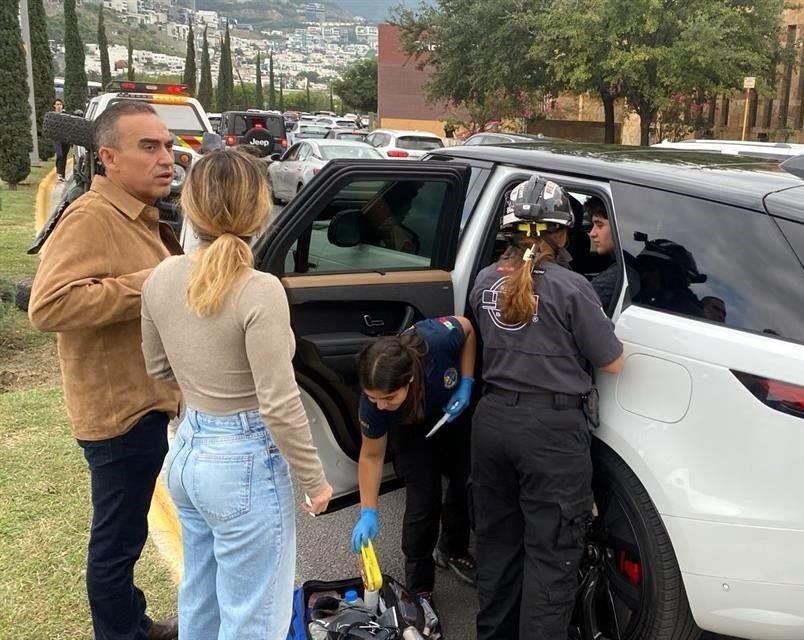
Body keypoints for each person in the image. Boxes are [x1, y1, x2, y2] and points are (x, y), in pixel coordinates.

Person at [140, 149, 333, 640]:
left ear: (191, 204)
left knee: (200, 603)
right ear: (260, 208)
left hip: (187, 451)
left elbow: (159, 367)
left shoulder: (160, 277)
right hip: (244, 461)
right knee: (255, 618)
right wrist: (315, 480)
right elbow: (279, 401)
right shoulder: (259, 288)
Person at [29, 100, 182, 640]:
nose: (166, 157)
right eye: (149, 146)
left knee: (126, 536)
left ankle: (133, 624)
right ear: (108, 158)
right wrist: (153, 283)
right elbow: (48, 306)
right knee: (116, 544)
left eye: (166, 145)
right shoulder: (93, 217)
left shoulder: (140, 212)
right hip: (118, 414)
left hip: (142, 402)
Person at [469, 176, 625, 640]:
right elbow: (613, 362)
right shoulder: (573, 288)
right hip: (550, 435)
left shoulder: (483, 281)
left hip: (492, 423)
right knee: (551, 557)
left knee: (498, 549)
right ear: (562, 233)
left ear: (511, 232)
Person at [351, 316, 478, 603]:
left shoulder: (436, 339)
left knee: (464, 480)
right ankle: (420, 586)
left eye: (388, 397)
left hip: (450, 411)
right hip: (409, 428)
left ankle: (453, 549)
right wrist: (368, 510)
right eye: (373, 398)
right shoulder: (375, 406)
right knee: (424, 501)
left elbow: (468, 329)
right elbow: (371, 455)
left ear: (408, 379)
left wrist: (466, 381)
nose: (380, 404)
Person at [585, 196, 642, 308]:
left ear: (618, 227)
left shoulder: (615, 276)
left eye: (599, 225)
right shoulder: (627, 264)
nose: (592, 233)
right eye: (593, 225)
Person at [633, 238, 707, 317]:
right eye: (643, 270)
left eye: (650, 270)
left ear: (670, 276)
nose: (644, 276)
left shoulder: (684, 312)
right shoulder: (645, 301)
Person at [52, 98, 69, 182]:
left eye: (60, 104)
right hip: (57, 138)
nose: (59, 106)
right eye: (57, 104)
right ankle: (59, 173)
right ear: (54, 106)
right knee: (60, 154)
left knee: (64, 156)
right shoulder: (52, 116)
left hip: (65, 139)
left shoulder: (66, 115)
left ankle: (63, 175)